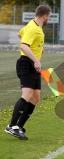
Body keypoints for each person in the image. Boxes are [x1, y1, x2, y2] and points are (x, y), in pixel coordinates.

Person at [4, 5, 51, 140]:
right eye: (48, 16)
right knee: (27, 94)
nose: (48, 18)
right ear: (44, 16)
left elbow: (21, 33)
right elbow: (23, 45)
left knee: (35, 98)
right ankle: (12, 126)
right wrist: (35, 60)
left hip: (32, 64)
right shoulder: (33, 28)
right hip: (27, 63)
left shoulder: (34, 26)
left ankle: (19, 126)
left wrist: (38, 48)